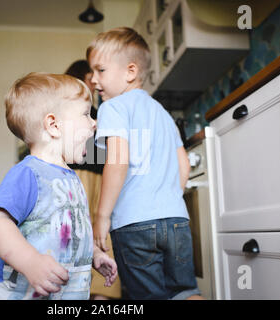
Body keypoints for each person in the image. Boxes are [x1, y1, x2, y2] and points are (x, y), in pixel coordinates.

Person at [88, 27, 203, 300]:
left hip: (134, 224)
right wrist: (169, 200)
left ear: (130, 71)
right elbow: (183, 164)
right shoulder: (163, 114)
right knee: (185, 292)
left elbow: (118, 160)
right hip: (177, 221)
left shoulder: (113, 108)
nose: (93, 79)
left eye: (100, 70)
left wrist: (101, 216)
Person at [0, 72, 118, 300]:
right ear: (54, 126)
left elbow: (72, 234)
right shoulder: (28, 174)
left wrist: (92, 254)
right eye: (86, 114)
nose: (94, 122)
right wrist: (30, 261)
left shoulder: (72, 178)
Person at [65, 60, 122, 300]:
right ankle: (79, 293)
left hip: (101, 176)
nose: (95, 82)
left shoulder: (98, 113)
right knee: (79, 232)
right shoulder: (73, 111)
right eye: (91, 77)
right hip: (79, 175)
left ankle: (101, 294)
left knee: (100, 234)